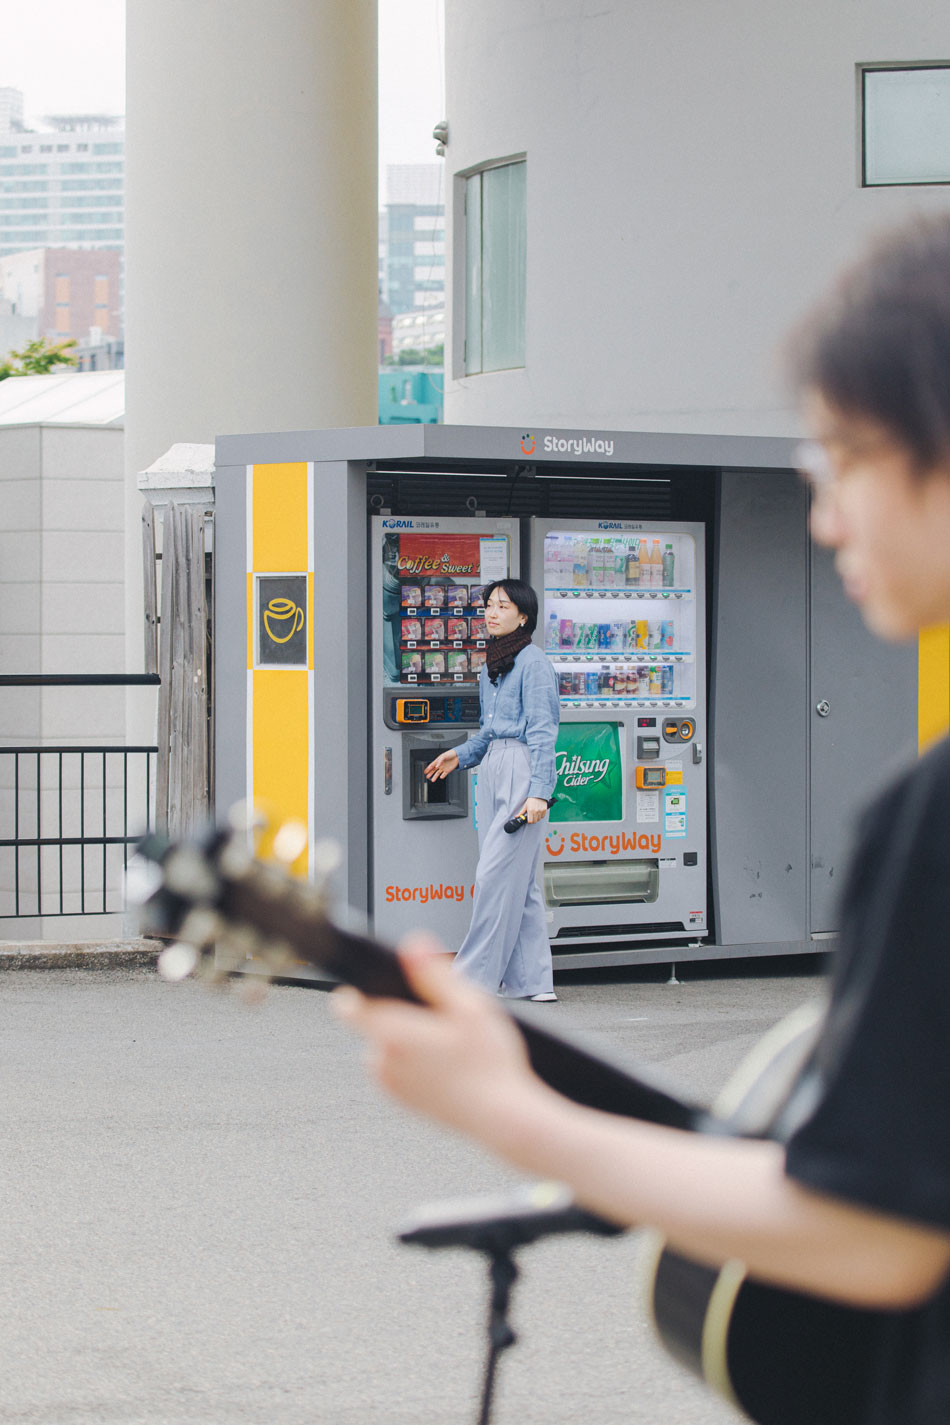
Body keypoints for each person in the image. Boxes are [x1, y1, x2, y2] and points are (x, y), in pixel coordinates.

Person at [337, 214, 950, 1423]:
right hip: (501, 780)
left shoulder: (926, 818)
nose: (823, 517)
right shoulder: (502, 657)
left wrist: (505, 1109)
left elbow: (876, 1235)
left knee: (510, 903)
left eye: (842, 458)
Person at [423, 578, 560, 1001]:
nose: (491, 612)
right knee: (522, 886)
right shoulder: (493, 665)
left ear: (524, 616)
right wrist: (459, 755)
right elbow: (488, 732)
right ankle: (533, 982)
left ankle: (469, 982)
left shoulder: (534, 663)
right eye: (488, 605)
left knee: (493, 876)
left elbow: (542, 731)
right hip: (494, 766)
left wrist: (539, 791)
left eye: (502, 606)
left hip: (522, 767)